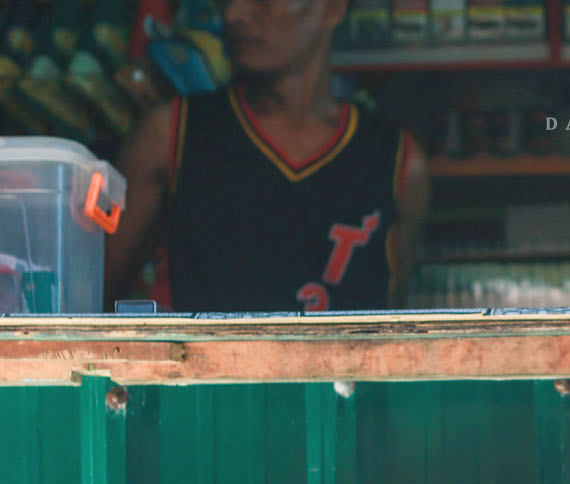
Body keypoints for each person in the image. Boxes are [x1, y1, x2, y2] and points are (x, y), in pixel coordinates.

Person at [104, 0, 429, 313]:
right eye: (226, 0)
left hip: (335, 371)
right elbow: (91, 300)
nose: (234, 13)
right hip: (201, 369)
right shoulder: (171, 134)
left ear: (332, 8)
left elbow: (387, 329)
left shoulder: (398, 162)